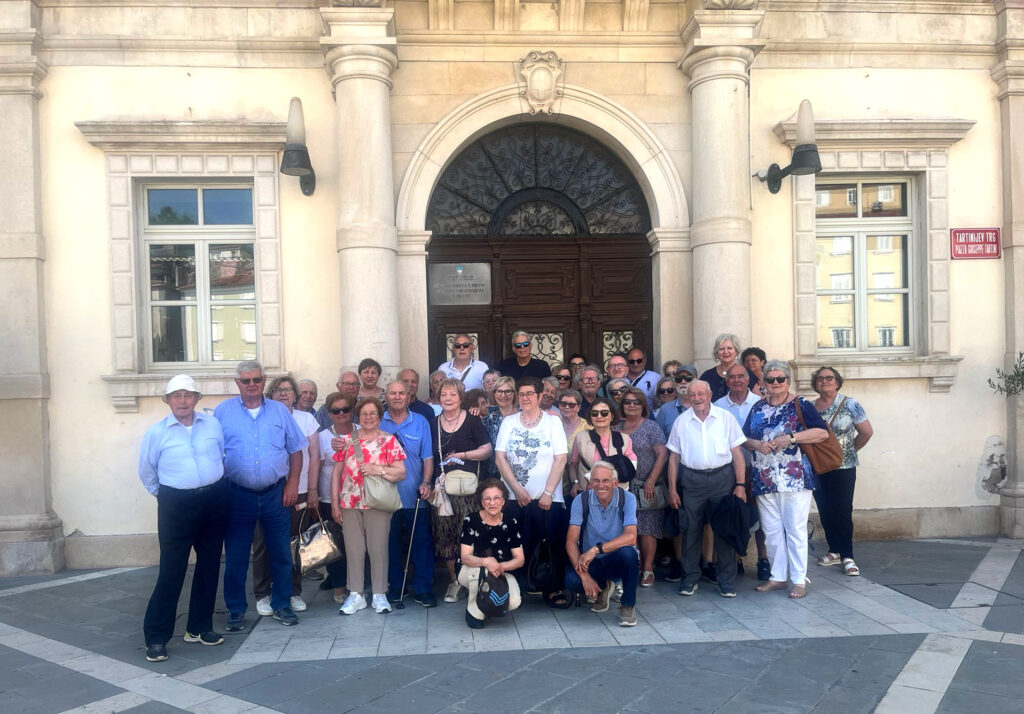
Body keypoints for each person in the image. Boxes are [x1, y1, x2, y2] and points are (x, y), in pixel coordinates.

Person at [138, 375, 227, 663]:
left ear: (197, 398)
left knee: (209, 565)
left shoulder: (212, 424)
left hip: (213, 499)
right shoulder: (156, 433)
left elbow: (221, 455)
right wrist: (168, 495)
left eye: (188, 395)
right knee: (172, 570)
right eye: (176, 396)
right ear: (168, 401)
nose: (183, 401)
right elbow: (147, 472)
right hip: (176, 504)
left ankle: (199, 628)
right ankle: (156, 637)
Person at [216, 361, 306, 631]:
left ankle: (281, 603)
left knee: (281, 552)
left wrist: (292, 484)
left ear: (264, 380)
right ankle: (235, 609)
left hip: (275, 494)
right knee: (236, 556)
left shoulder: (279, 411)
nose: (252, 385)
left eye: (256, 379)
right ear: (237, 383)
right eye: (246, 381)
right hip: (237, 495)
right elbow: (212, 452)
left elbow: (296, 450)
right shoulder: (222, 412)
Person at [742, 360, 828, 599]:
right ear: (764, 382)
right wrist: (756, 444)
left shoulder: (801, 404)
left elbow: (822, 433)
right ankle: (777, 576)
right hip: (764, 477)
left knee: (795, 529)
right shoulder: (758, 407)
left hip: (794, 477)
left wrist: (791, 438)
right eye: (771, 379)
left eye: (780, 379)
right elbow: (744, 438)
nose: (776, 383)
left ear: (788, 381)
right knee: (771, 530)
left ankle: (799, 579)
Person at [666, 380, 747, 598]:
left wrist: (740, 485)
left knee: (724, 529)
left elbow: (737, 454)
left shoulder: (725, 418)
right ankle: (689, 579)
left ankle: (726, 581)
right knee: (690, 530)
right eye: (692, 394)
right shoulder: (681, 422)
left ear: (709, 394)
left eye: (701, 393)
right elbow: (673, 458)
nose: (697, 398)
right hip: (692, 481)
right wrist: (672, 489)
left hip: (723, 479)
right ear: (688, 397)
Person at [494, 376, 569, 607]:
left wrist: (548, 492)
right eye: (522, 394)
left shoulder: (553, 422)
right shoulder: (509, 422)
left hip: (547, 498)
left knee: (550, 544)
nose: (525, 398)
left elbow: (561, 458)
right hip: (515, 498)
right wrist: (517, 490)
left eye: (529, 393)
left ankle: (551, 588)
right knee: (516, 545)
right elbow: (500, 458)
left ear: (540, 396)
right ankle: (517, 590)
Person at [251, 376, 320, 617]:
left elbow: (314, 456)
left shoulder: (306, 419)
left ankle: (293, 591)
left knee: (295, 543)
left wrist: (313, 490)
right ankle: (263, 594)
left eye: (288, 390)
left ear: (295, 395)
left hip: (300, 491)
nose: (283, 393)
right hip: (268, 491)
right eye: (278, 390)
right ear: (270, 395)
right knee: (262, 543)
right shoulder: (262, 417)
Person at [332, 398, 407, 615]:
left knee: (378, 548)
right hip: (350, 501)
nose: (368, 417)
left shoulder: (389, 440)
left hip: (377, 502)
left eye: (373, 413)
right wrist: (335, 503)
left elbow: (401, 472)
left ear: (380, 416)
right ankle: (356, 594)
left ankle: (379, 594)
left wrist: (379, 470)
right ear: (358, 416)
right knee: (354, 549)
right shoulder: (347, 441)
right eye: (364, 413)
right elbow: (336, 473)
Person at [430, 378, 493, 603]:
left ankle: (477, 580)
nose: (448, 398)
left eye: (453, 394)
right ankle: (455, 582)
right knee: (445, 536)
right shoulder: (433, 423)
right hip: (444, 490)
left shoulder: (472, 419)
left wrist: (463, 455)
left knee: (473, 535)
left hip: (470, 491)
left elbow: (487, 450)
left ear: (460, 398)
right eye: (444, 394)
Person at [811, 366, 873, 577]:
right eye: (820, 378)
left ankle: (847, 555)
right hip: (819, 466)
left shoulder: (850, 404)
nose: (824, 381)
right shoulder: (811, 407)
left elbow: (866, 432)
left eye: (829, 378)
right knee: (825, 509)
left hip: (844, 467)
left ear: (837, 382)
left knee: (843, 510)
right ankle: (834, 550)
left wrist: (849, 450)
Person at [379, 381, 436, 607]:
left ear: (409, 395)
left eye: (401, 393)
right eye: (392, 393)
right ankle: (395, 587)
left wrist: (426, 482)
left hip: (415, 495)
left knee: (421, 544)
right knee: (389, 545)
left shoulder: (420, 421)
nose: (397, 397)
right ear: (386, 396)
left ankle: (423, 589)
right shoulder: (377, 420)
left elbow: (428, 458)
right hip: (384, 497)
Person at [565, 462, 640, 627]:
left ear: (615, 482)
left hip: (616, 558)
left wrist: (596, 549)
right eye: (596, 481)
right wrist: (584, 576)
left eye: (605, 481)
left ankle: (628, 605)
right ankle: (604, 586)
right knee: (572, 580)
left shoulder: (627, 498)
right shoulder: (581, 500)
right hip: (592, 562)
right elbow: (570, 541)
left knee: (629, 554)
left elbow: (631, 537)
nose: (600, 485)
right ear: (590, 482)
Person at [714, 363, 769, 580]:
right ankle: (736, 559)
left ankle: (763, 559)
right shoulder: (718, 406)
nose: (736, 380)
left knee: (762, 516)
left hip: (758, 468)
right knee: (734, 514)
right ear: (726, 381)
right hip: (730, 471)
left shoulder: (761, 403)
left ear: (748, 380)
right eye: (732, 377)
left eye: (740, 376)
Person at [616, 387, 668, 588]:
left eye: (636, 402)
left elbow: (662, 455)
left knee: (648, 528)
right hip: (623, 486)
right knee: (628, 527)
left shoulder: (651, 427)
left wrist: (651, 480)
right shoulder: (616, 428)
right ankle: (633, 567)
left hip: (647, 485)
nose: (631, 405)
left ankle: (647, 568)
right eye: (627, 402)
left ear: (643, 405)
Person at [458, 479, 524, 628]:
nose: (492, 503)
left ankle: (487, 604)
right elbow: (465, 557)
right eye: (487, 498)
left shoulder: (511, 522)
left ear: (503, 501)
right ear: (482, 501)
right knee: (480, 573)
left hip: (500, 571)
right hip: (471, 569)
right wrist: (485, 562)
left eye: (496, 498)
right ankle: (474, 610)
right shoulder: (471, 520)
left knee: (514, 601)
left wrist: (499, 566)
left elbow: (520, 559)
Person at [317, 392, 355, 604]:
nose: (341, 414)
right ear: (329, 413)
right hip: (329, 498)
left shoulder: (361, 431)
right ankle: (339, 586)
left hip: (357, 498)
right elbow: (318, 467)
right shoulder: (323, 437)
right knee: (335, 545)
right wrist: (313, 493)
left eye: (345, 409)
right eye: (336, 410)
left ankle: (356, 583)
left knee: (356, 543)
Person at [569, 398, 636, 496]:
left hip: (617, 493)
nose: (599, 416)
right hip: (589, 493)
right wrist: (575, 483)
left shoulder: (624, 439)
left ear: (612, 416)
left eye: (604, 413)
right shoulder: (581, 437)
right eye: (594, 413)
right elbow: (573, 464)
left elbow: (632, 466)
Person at [700, 333, 757, 401]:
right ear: (717, 353)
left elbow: (758, 400)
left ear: (736, 352)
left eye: (729, 348)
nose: (726, 352)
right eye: (721, 349)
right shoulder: (707, 376)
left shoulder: (747, 373)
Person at [557, 389, 591, 499]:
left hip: (577, 485)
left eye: (571, 405)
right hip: (554, 483)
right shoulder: (552, 424)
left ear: (578, 407)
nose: (567, 407)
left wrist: (577, 482)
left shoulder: (588, 428)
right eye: (563, 404)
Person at [481, 375, 518, 477]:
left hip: (518, 472)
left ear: (514, 394)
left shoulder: (523, 415)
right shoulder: (487, 416)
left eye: (508, 391)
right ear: (494, 393)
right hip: (492, 473)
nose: (503, 395)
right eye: (499, 391)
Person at [655, 363, 698, 438]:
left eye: (688, 378)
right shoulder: (665, 410)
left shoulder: (705, 407)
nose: (683, 382)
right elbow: (658, 439)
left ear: (696, 380)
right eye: (679, 379)